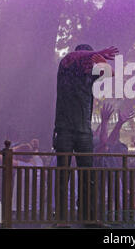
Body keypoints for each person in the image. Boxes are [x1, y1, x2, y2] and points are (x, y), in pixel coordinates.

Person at [53, 44, 118, 226]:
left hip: (84, 131)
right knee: (63, 175)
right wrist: (94, 54)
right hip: (64, 129)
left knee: (88, 175)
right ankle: (61, 219)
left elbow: (111, 73)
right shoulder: (65, 69)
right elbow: (72, 56)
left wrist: (101, 60)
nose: (90, 64)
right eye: (88, 60)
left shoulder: (91, 75)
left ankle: (88, 217)